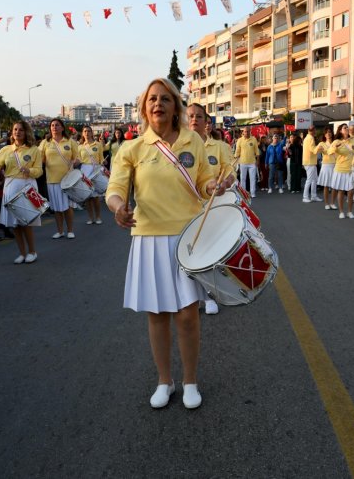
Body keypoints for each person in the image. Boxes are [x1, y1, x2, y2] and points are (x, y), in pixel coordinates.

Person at [106, 77, 225, 410]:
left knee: (188, 315)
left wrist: (216, 183)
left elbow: (204, 183)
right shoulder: (132, 148)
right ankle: (164, 380)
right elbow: (115, 189)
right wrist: (118, 209)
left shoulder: (193, 141)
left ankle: (190, 381)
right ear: (145, 108)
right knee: (157, 314)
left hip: (188, 236)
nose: (158, 104)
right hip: (148, 237)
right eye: (152, 99)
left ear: (176, 107)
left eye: (165, 99)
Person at [187, 104, 234, 317]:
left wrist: (225, 183)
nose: (194, 119)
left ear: (206, 121)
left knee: (210, 252)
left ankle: (210, 295)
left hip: (212, 207)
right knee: (190, 252)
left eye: (198, 116)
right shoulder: (176, 147)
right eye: (190, 116)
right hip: (186, 209)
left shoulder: (220, 147)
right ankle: (192, 296)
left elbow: (231, 171)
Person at [0, 120, 43, 264]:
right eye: (15, 129)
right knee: (14, 224)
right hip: (10, 186)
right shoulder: (5, 150)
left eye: (20, 130)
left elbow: (39, 171)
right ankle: (22, 253)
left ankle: (32, 251)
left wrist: (29, 170)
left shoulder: (34, 150)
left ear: (26, 132)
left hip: (27, 186)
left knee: (26, 222)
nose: (17, 132)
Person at [39, 118, 80, 239]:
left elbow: (77, 158)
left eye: (57, 125)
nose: (54, 127)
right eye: (52, 125)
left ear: (62, 128)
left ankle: (70, 230)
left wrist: (75, 161)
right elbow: (39, 158)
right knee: (57, 208)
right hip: (52, 179)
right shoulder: (45, 143)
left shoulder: (70, 141)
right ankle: (60, 231)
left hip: (68, 179)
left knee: (68, 207)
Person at [78, 125, 106, 225]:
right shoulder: (80, 147)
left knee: (95, 196)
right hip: (85, 170)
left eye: (89, 131)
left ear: (92, 133)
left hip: (95, 170)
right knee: (88, 196)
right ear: (82, 133)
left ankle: (98, 216)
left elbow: (101, 158)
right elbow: (79, 160)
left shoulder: (97, 144)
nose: (87, 133)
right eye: (85, 131)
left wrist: (103, 162)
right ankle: (90, 217)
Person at [328, 124, 354, 219]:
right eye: (344, 128)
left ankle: (349, 211)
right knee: (341, 191)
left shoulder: (353, 140)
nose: (347, 129)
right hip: (340, 169)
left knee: (351, 191)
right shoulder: (336, 141)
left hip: (351, 170)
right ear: (340, 131)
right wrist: (336, 146)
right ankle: (341, 211)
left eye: (347, 127)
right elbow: (329, 152)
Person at [234, 128, 259, 198]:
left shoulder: (253, 139)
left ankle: (253, 193)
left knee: (253, 178)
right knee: (243, 179)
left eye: (248, 131)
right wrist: (235, 159)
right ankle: (243, 193)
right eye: (245, 131)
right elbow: (237, 151)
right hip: (242, 162)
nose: (247, 133)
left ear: (250, 132)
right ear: (243, 132)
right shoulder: (239, 140)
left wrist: (258, 160)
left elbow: (257, 151)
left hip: (252, 163)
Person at [302, 124, 323, 202]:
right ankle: (305, 197)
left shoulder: (307, 138)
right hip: (310, 162)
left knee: (314, 179)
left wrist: (318, 148)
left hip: (309, 162)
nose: (314, 131)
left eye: (313, 130)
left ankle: (313, 196)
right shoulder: (310, 138)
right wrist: (319, 147)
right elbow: (313, 150)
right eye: (313, 130)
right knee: (310, 180)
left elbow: (312, 150)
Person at [317, 126, 337, 209]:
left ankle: (332, 203)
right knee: (326, 186)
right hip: (326, 166)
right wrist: (319, 149)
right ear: (324, 135)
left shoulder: (336, 142)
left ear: (332, 133)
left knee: (334, 186)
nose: (328, 134)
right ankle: (326, 203)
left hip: (335, 165)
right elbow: (316, 151)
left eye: (329, 132)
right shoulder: (322, 143)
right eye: (326, 132)